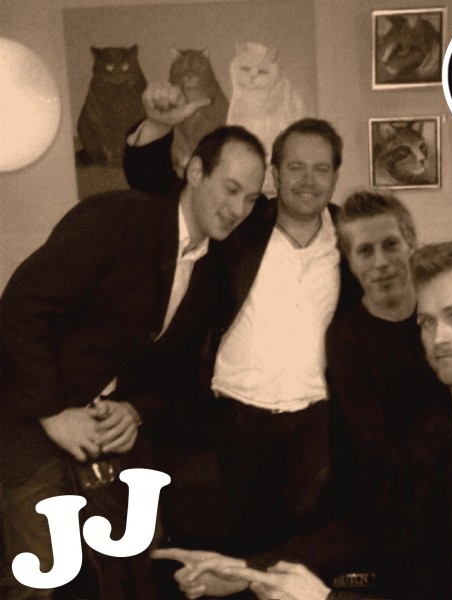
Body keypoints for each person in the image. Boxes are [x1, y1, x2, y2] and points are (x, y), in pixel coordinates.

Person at [164, 241, 452, 600]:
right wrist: (246, 569)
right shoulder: (437, 424)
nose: (438, 338)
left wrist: (326, 599)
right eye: (427, 322)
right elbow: (371, 527)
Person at [0, 125, 266, 600]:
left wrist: (136, 410)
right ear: (195, 171)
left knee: (134, 568)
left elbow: (177, 373)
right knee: (39, 575)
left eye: (250, 198)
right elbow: (21, 308)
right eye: (230, 189)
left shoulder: (218, 267)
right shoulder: (115, 218)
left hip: (109, 437)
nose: (238, 208)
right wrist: (53, 414)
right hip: (29, 419)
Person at [151, 192, 448, 598]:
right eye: (365, 251)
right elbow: (375, 479)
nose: (380, 262)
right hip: (387, 518)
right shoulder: (346, 339)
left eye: (390, 245)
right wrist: (247, 570)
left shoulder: (443, 319)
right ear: (348, 259)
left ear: (410, 241)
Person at [124, 86, 362, 562]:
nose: (308, 180)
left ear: (336, 176)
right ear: (275, 173)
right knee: (245, 548)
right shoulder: (239, 228)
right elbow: (158, 189)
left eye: (321, 169)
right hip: (238, 419)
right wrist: (157, 128)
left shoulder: (352, 239)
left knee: (308, 549)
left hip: (315, 422)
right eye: (295, 167)